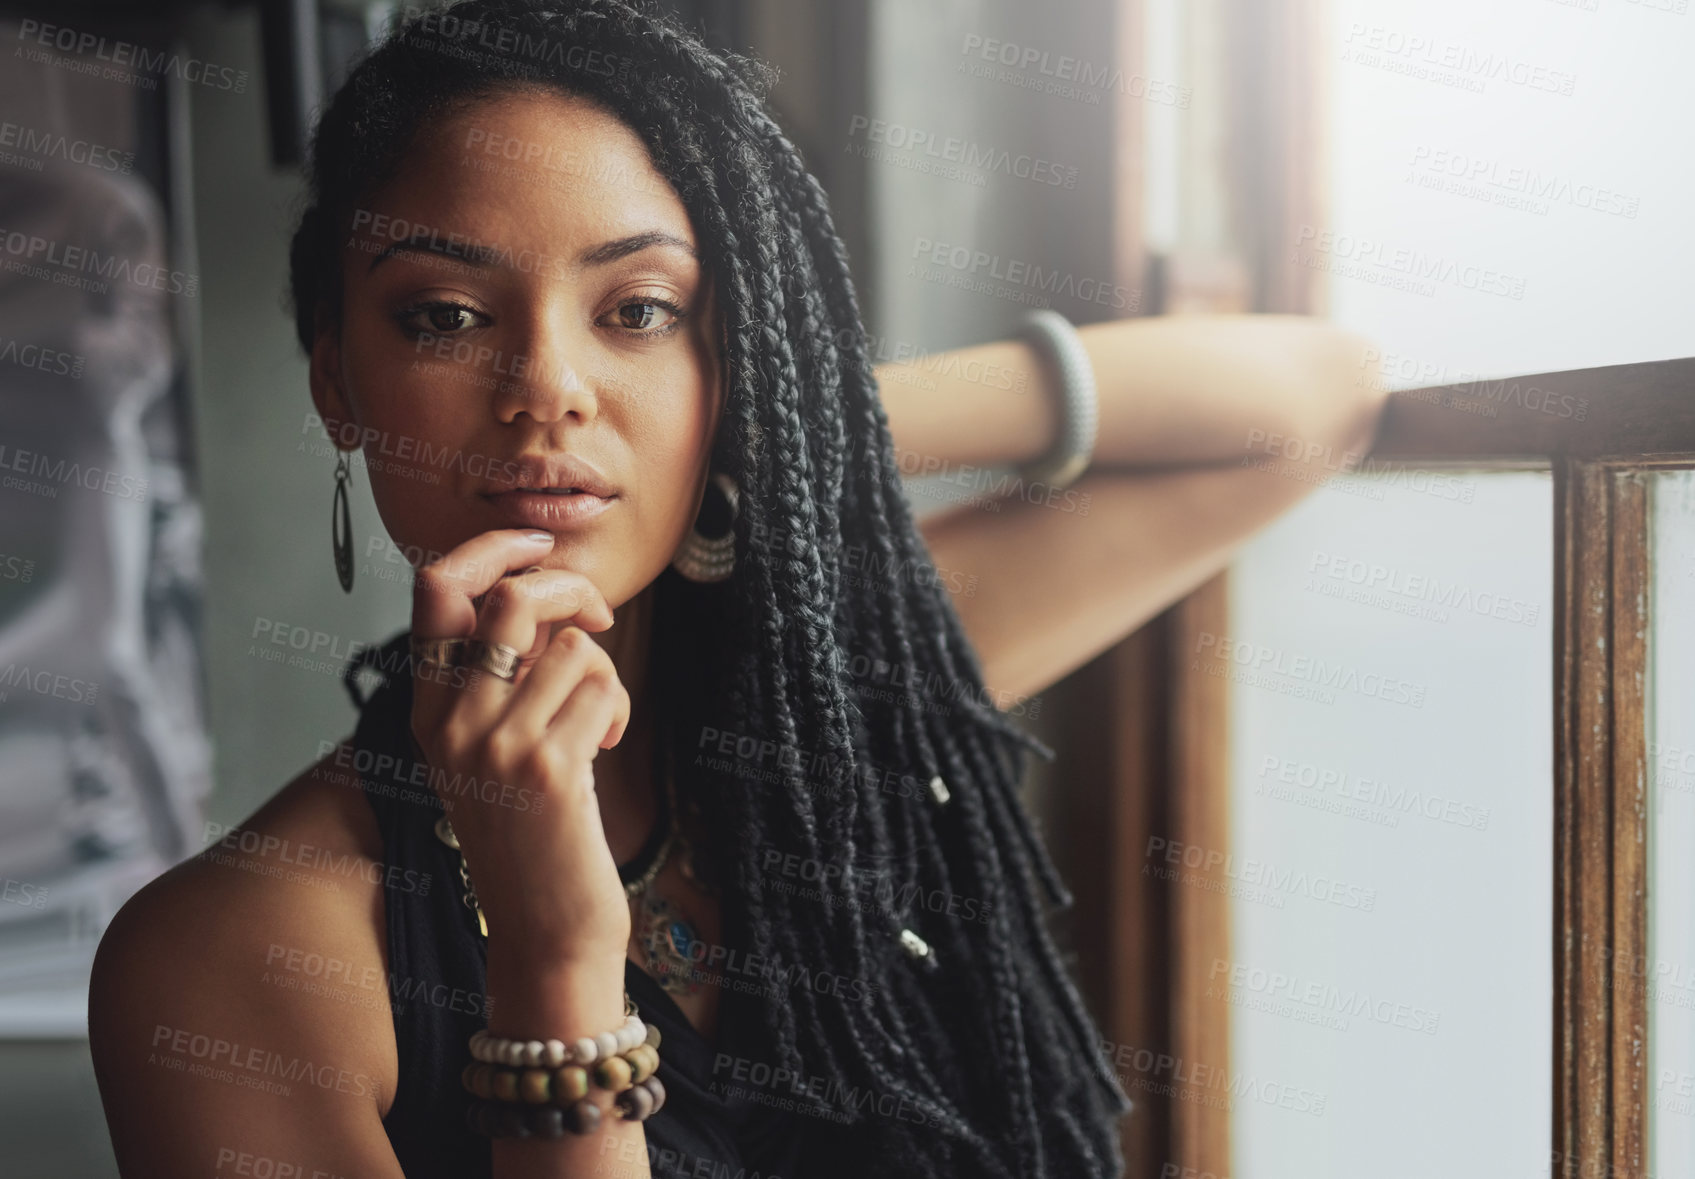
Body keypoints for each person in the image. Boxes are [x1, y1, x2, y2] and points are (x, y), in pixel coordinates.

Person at [86, 1, 1388, 1176]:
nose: (550, 389)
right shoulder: (229, 964)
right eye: (445, 314)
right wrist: (553, 966)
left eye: (639, 310)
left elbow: (1311, 405)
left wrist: (797, 415)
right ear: (338, 384)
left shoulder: (823, 697)